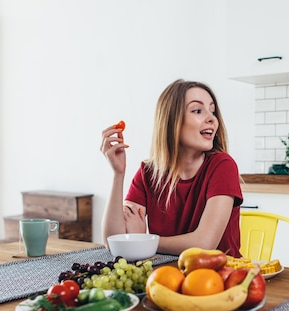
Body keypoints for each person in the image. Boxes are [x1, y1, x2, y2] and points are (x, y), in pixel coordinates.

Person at [100, 79, 243, 257]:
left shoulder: (222, 165)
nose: (212, 119)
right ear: (171, 121)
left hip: (219, 279)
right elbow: (112, 241)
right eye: (198, 111)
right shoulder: (149, 172)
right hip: (166, 275)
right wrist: (118, 174)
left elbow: (204, 244)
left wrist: (142, 240)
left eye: (212, 111)